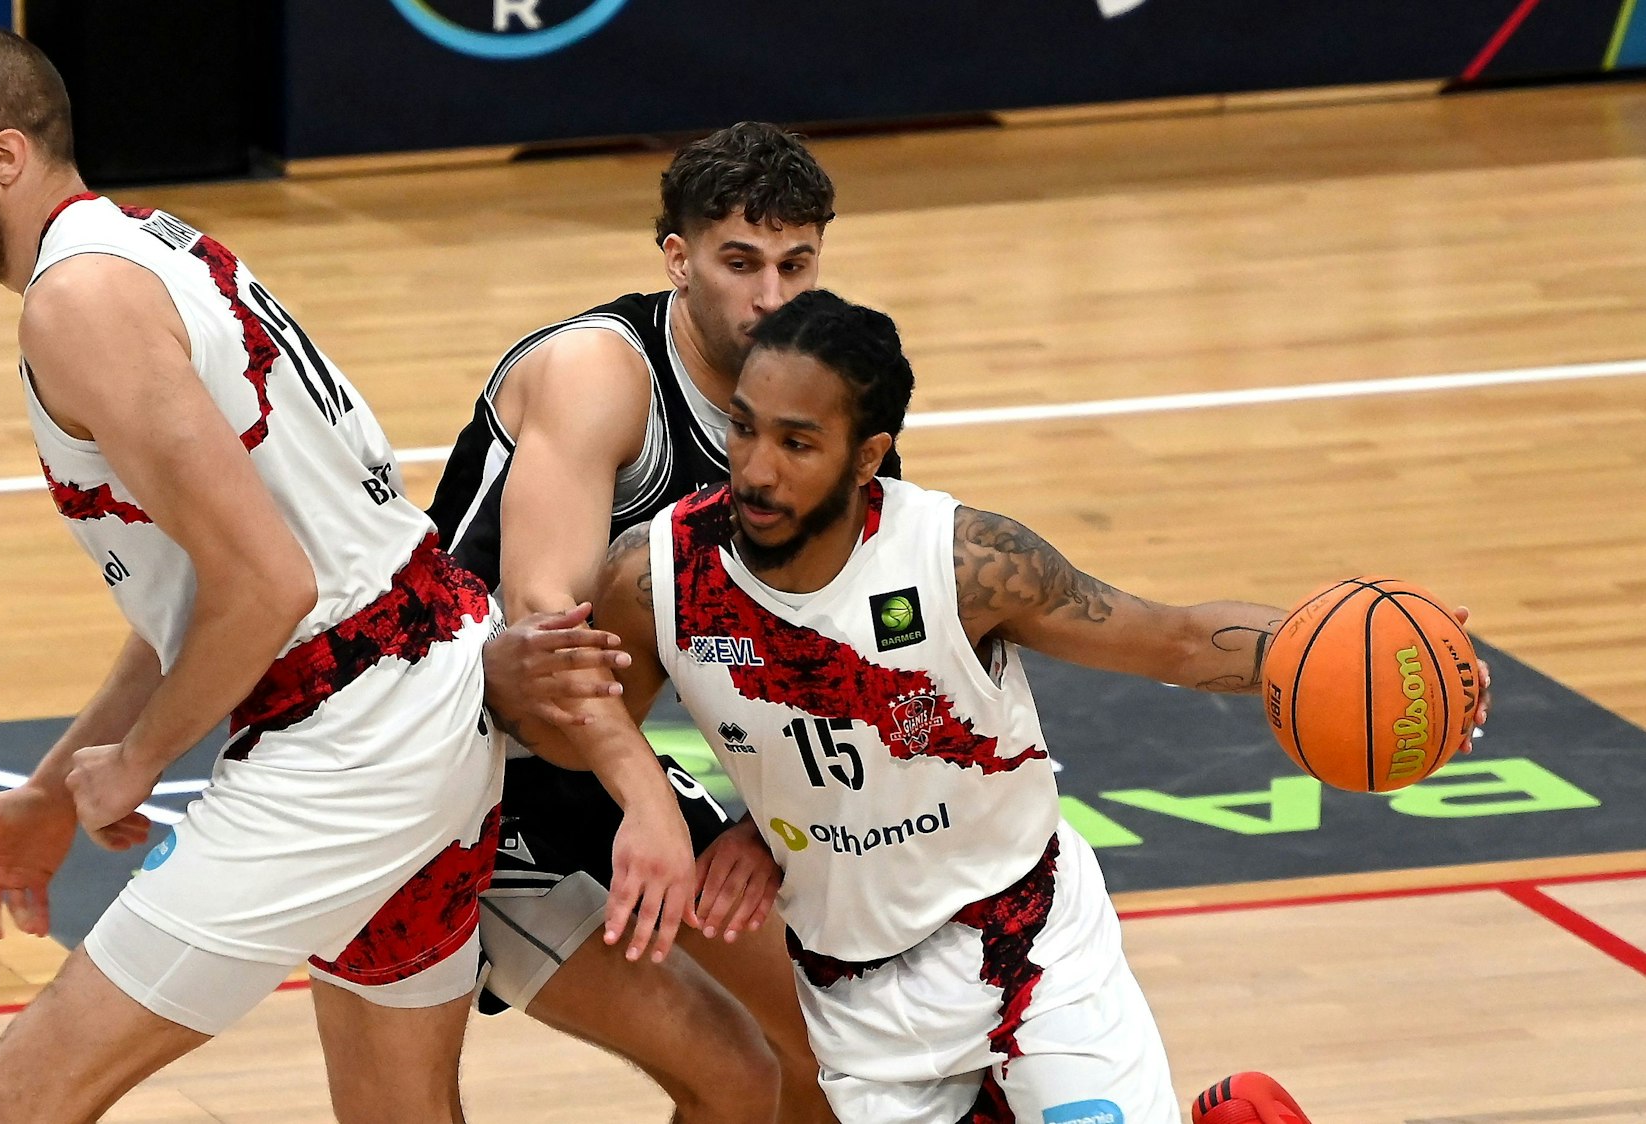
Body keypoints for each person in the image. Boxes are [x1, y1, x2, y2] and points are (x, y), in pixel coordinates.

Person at [0, 23, 657, 1124]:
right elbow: (198, 598)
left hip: (352, 747)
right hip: (428, 692)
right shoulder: (152, 244)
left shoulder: (77, 303)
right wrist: (55, 788)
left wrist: (137, 762)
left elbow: (263, 586)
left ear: (3, 156)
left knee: (21, 1095)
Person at [496, 289, 1491, 1123]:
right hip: (858, 990)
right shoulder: (659, 576)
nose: (755, 467)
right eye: (746, 428)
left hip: (1032, 939)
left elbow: (1178, 639)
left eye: (798, 443)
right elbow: (578, 725)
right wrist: (650, 795)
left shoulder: (968, 564)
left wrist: (1382, 662)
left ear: (867, 455)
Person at [427, 122, 839, 1121]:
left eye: (797, 263)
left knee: (835, 1051)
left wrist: (764, 820)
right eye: (741, 262)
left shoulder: (816, 396)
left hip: (588, 764)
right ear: (678, 258)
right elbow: (541, 633)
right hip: (453, 772)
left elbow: (829, 640)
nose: (772, 296)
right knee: (738, 1074)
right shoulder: (600, 373)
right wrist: (652, 802)